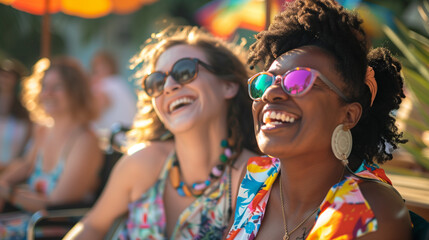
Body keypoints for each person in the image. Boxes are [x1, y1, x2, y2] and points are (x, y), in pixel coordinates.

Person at [226, 0, 413, 239]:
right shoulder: (255, 179)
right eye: (264, 82)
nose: (270, 93)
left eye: (298, 81)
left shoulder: (372, 211)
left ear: (348, 115)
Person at [64, 25, 259, 239]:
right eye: (157, 82)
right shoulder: (142, 163)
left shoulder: (252, 180)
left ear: (228, 86)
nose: (168, 86)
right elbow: (92, 226)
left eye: (184, 71)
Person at [0, 57, 103, 239]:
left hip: (59, 227)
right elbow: (26, 165)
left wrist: (8, 192)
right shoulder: (43, 130)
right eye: (44, 86)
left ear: (75, 92)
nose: (47, 93)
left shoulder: (86, 141)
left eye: (57, 87)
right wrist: (4, 182)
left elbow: (55, 205)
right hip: (31, 220)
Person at [90, 50, 137, 144]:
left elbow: (93, 112)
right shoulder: (120, 83)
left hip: (116, 143)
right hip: (129, 139)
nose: (97, 70)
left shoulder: (107, 84)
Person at [0, 58, 32, 171]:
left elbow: (26, 149)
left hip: (12, 170)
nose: (4, 79)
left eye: (9, 76)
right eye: (2, 75)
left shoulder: (23, 114)